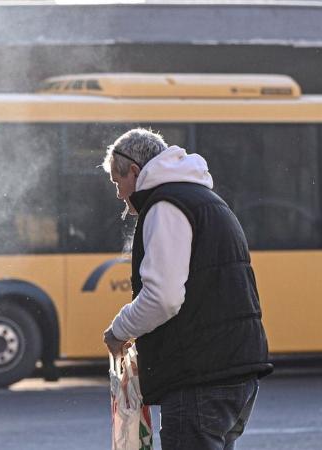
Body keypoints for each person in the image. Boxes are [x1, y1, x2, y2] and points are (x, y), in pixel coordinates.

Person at [100, 128, 273, 450]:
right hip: (233, 369)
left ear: (135, 172)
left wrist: (119, 331)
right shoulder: (203, 198)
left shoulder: (166, 206)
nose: (118, 193)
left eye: (116, 181)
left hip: (200, 377)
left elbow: (162, 297)